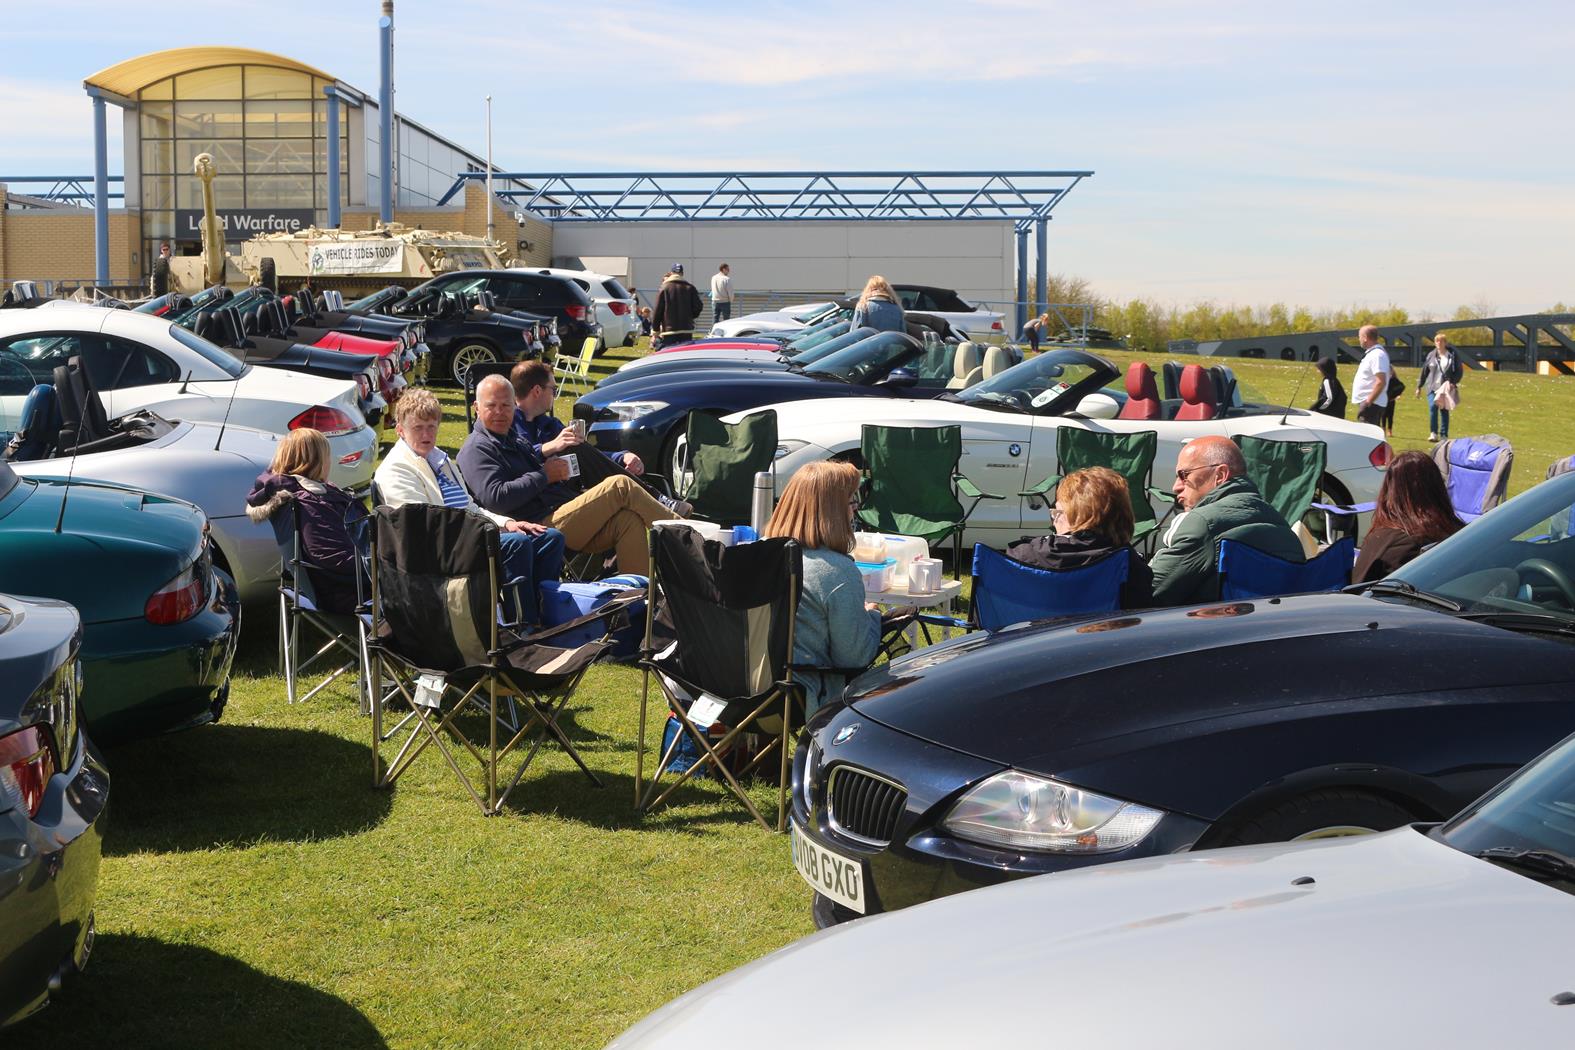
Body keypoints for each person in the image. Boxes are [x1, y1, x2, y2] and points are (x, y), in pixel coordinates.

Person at [459, 366, 685, 574]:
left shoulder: (514, 440)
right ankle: (690, 545)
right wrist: (544, 476)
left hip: (562, 511)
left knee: (627, 520)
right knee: (620, 485)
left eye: (506, 405)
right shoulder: (476, 449)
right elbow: (496, 498)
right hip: (538, 527)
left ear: (513, 406)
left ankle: (637, 600)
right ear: (477, 408)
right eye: (491, 405)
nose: (499, 412)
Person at [374, 388, 564, 623]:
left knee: (549, 538)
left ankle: (548, 616)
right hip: (437, 554)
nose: (426, 434)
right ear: (400, 430)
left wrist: (508, 523)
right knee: (515, 544)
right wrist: (486, 533)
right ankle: (524, 626)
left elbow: (471, 508)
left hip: (465, 540)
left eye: (431, 426)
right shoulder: (396, 470)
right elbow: (422, 525)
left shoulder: (440, 460)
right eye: (418, 428)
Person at [764, 460, 881, 716]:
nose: (854, 511)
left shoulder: (758, 554)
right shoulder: (837, 571)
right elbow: (854, 658)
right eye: (851, 502)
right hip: (799, 695)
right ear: (835, 511)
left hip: (744, 690)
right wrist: (873, 615)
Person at [1148, 435, 1303, 606]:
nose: (1176, 487)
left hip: (1212, 629)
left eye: (1184, 475)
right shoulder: (1280, 524)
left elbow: (1149, 594)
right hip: (1274, 627)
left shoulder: (1203, 524)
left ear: (1220, 475)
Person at [246, 428, 368, 614]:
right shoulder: (308, 502)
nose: (330, 462)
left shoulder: (302, 494)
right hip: (348, 592)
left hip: (341, 584)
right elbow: (332, 556)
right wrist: (382, 566)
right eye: (327, 456)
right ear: (315, 461)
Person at [1005, 466, 1153, 608]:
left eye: (1057, 512)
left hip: (1038, 633)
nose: (1054, 521)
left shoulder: (1024, 556)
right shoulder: (1130, 566)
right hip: (1106, 632)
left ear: (1076, 517)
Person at [1351, 450, 1464, 584]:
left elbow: (1359, 590)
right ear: (1438, 487)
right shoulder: (1463, 536)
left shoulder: (1382, 541)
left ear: (1390, 489)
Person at [1417, 334, 1464, 441]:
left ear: (1445, 343)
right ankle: (1433, 433)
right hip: (1432, 386)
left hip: (1445, 387)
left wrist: (1453, 382)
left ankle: (1444, 435)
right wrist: (1419, 386)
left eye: (1441, 341)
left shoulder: (1452, 355)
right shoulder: (1431, 355)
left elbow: (1459, 370)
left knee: (1444, 409)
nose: (1438, 343)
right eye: (1436, 341)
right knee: (1433, 407)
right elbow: (1425, 370)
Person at [651, 264, 703, 348]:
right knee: (684, 355)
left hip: (669, 331)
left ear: (671, 273)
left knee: (670, 356)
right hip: (686, 329)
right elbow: (698, 307)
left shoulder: (664, 288)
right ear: (682, 273)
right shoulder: (690, 288)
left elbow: (658, 310)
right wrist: (690, 316)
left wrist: (655, 330)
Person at [1351, 324, 1391, 429]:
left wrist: (1368, 401)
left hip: (1372, 404)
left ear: (1365, 338)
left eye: (1360, 336)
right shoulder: (1372, 354)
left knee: (1368, 438)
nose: (1359, 339)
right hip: (1370, 403)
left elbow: (1381, 381)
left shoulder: (1377, 355)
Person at [1382, 371, 1405, 437]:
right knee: (1383, 415)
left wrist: (1397, 395)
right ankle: (1383, 429)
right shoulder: (1384, 379)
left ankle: (1390, 430)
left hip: (1391, 400)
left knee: (1390, 416)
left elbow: (1402, 386)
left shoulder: (1394, 380)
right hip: (1384, 400)